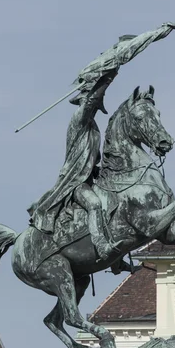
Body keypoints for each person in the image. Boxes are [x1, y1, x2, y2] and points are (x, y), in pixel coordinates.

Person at [28, 70, 121, 260]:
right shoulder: (79, 120)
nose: (95, 104)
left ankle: (116, 259)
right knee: (94, 204)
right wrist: (110, 76)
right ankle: (102, 247)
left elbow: (93, 159)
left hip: (89, 178)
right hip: (75, 182)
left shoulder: (92, 127)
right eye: (92, 100)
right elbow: (90, 101)